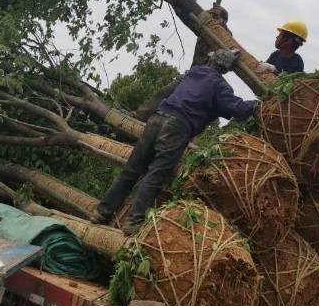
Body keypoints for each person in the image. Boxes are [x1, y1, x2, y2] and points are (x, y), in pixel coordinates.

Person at [92, 48, 257, 234]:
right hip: (177, 127)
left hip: (157, 118)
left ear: (210, 60)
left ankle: (102, 212)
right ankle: (132, 221)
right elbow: (237, 108)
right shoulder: (220, 87)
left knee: (132, 169)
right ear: (226, 69)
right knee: (155, 173)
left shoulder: (193, 73)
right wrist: (257, 104)